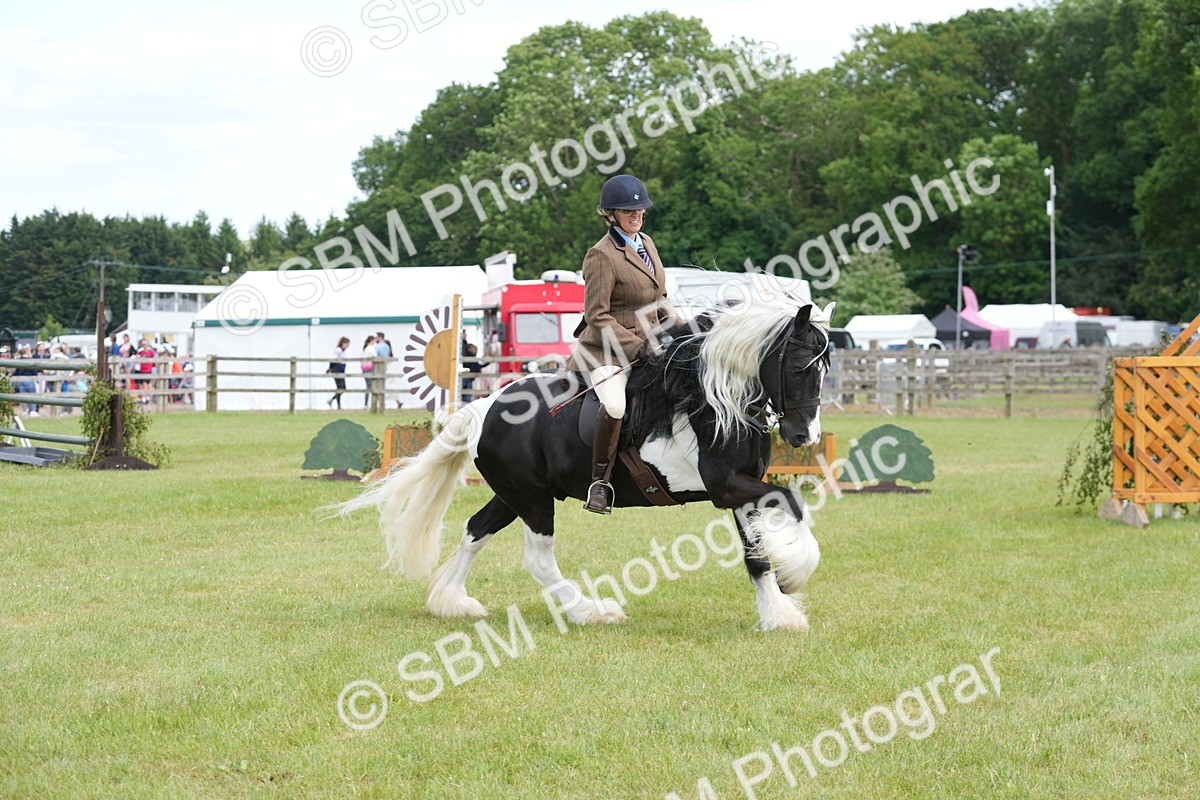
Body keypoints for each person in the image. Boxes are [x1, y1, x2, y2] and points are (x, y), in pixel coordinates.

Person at [565, 174, 680, 514]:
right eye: (628, 211)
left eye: (641, 209)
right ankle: (599, 482)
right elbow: (597, 316)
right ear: (610, 214)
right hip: (605, 350)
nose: (637, 215)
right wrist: (636, 347)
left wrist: (688, 331)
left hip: (650, 342)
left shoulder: (647, 243)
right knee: (615, 406)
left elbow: (660, 299)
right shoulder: (600, 255)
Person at [327, 336, 350, 408]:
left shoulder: (343, 351)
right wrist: (330, 368)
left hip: (341, 370)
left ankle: (333, 400)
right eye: (347, 344)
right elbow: (333, 359)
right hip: (337, 370)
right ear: (343, 343)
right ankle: (338, 404)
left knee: (342, 388)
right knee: (340, 387)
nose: (347, 346)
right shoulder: (338, 350)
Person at [360, 335, 377, 408]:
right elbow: (375, 357)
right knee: (370, 386)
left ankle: (367, 403)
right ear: (372, 340)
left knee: (369, 386)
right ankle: (367, 404)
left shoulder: (365, 348)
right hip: (369, 369)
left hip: (365, 369)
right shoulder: (371, 348)